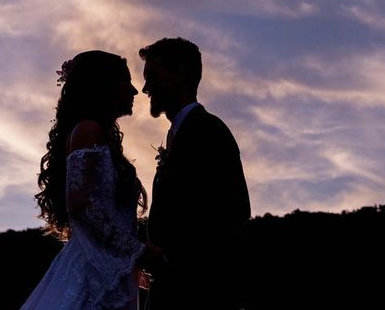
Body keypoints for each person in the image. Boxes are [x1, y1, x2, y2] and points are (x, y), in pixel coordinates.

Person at [21, 50, 159, 310]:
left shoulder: (99, 135)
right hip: (93, 274)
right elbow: (82, 206)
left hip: (107, 264)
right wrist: (138, 250)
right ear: (104, 86)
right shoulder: (88, 130)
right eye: (125, 82)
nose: (133, 91)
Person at [138, 37, 251, 309]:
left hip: (198, 292)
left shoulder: (209, 131)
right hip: (172, 288)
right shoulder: (180, 134)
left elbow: (235, 211)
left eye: (153, 76)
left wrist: (169, 258)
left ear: (178, 74)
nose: (145, 88)